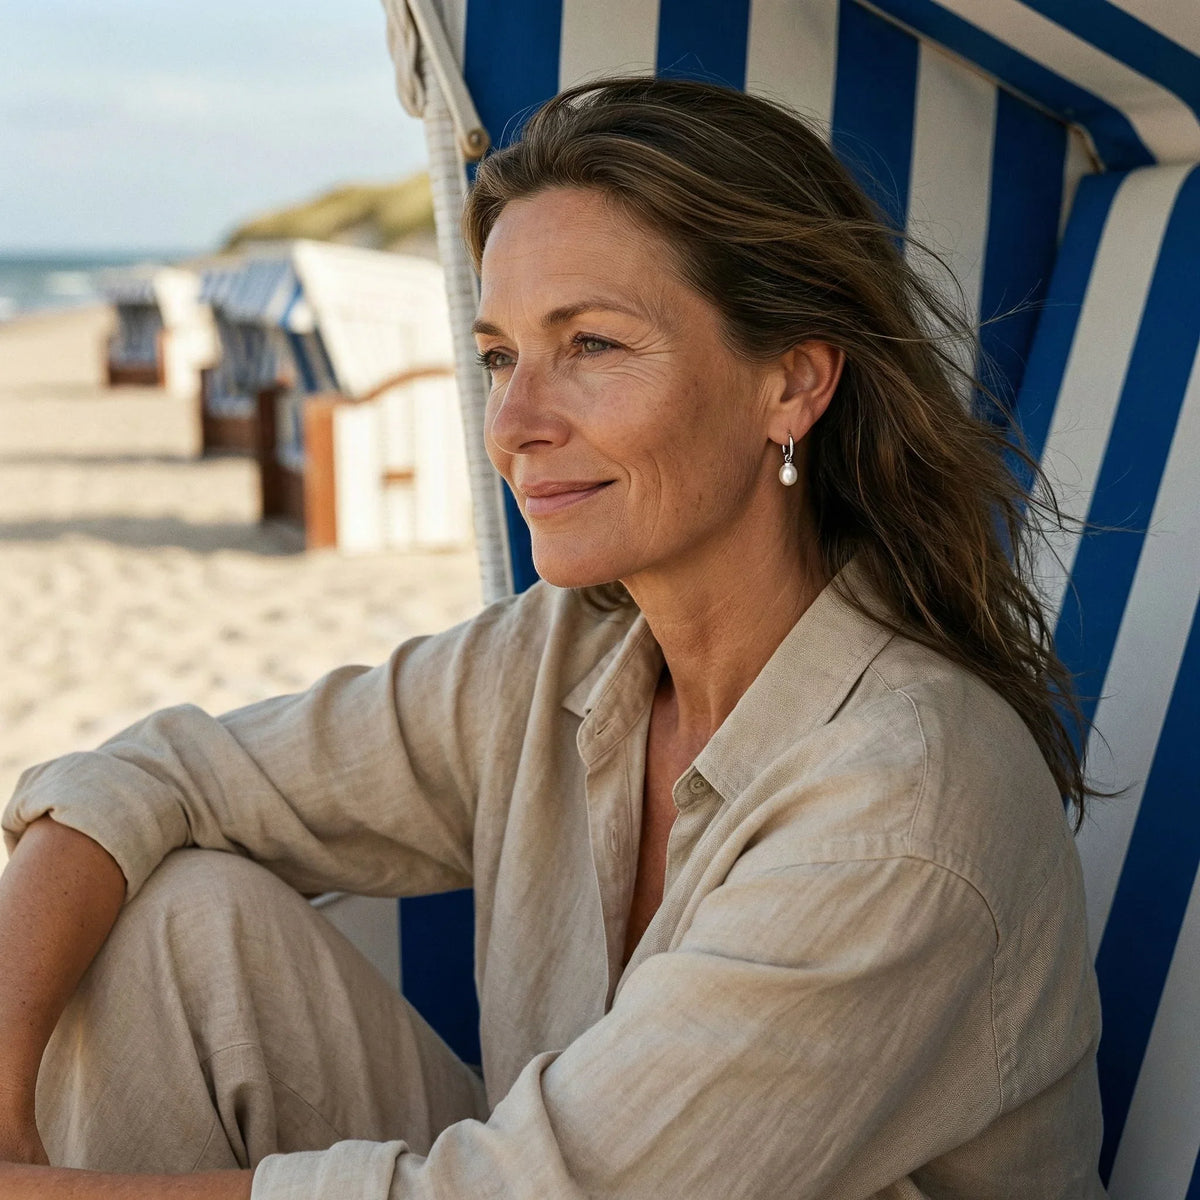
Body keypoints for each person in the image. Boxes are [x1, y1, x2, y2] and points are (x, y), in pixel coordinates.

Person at [0, 76, 1106, 1199]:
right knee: (176, 921)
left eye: (591, 345)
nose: (516, 425)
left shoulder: (903, 808)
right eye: (496, 356)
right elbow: (159, 776)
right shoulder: (562, 656)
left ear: (791, 383)